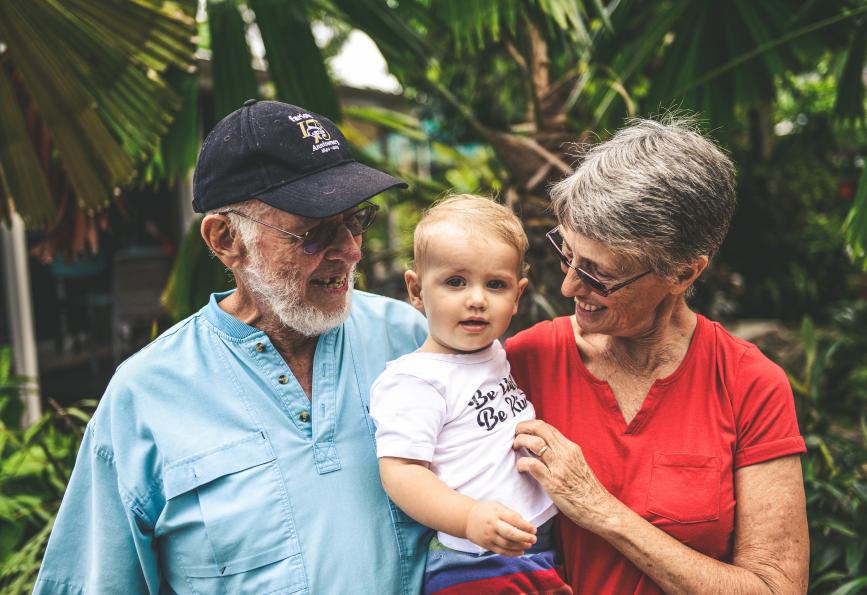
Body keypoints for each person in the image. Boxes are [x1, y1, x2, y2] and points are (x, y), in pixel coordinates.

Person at [34, 100, 431, 594]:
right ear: (226, 240)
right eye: (315, 232)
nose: (351, 250)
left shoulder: (410, 340)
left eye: (356, 221)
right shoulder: (145, 397)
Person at [508, 117, 809, 594]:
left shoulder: (749, 383)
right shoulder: (526, 362)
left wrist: (602, 510)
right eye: (568, 255)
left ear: (683, 273)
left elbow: (777, 589)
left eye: (599, 274)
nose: (569, 286)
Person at [369, 195, 571, 594]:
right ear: (415, 289)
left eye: (495, 284)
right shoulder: (415, 379)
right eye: (455, 282)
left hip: (535, 546)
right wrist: (468, 518)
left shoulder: (491, 352)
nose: (477, 299)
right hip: (477, 561)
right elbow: (401, 472)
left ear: (517, 296)